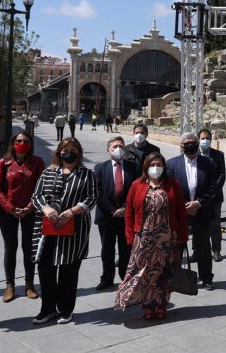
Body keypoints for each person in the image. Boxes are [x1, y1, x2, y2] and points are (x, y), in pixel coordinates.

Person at [31, 138, 99, 325]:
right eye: (65, 150)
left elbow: (92, 197)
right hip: (48, 229)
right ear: (59, 152)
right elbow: (36, 196)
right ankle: (47, 309)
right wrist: (46, 208)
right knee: (46, 270)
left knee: (69, 271)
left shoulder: (87, 174)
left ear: (79, 153)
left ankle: (65, 309)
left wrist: (72, 211)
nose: (68, 153)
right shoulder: (48, 172)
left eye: (73, 150)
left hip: (74, 230)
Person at [116, 152, 188, 320]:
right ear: (146, 167)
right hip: (144, 238)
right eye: (152, 165)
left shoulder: (173, 185)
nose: (155, 168)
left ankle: (161, 304)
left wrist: (182, 236)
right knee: (144, 272)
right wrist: (130, 236)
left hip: (166, 238)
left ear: (163, 167)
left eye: (159, 165)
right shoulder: (137, 185)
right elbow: (129, 212)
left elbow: (181, 212)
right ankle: (148, 305)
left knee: (163, 272)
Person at [0, 129, 45, 302]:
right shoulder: (3, 162)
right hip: (8, 211)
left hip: (30, 211)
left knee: (28, 248)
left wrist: (30, 207)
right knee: (10, 248)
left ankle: (29, 284)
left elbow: (42, 187)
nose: (22, 144)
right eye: (18, 141)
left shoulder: (37, 162)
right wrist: (10, 208)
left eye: (26, 141)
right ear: (13, 144)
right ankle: (10, 285)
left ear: (30, 145)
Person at [167, 132, 218, 290]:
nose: (190, 145)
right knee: (177, 246)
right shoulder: (172, 164)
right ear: (181, 146)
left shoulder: (208, 163)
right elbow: (169, 189)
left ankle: (206, 278)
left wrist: (198, 203)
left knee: (203, 246)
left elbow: (213, 187)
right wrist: (183, 206)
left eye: (193, 142)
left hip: (202, 211)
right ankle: (174, 278)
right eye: (186, 143)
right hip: (180, 212)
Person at [93, 136, 139, 291]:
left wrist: (125, 208)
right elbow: (97, 192)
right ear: (108, 150)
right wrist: (112, 210)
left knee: (126, 249)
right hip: (107, 217)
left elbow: (136, 190)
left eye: (121, 146)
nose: (118, 149)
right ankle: (107, 278)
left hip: (126, 216)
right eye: (115, 147)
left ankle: (126, 277)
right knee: (107, 250)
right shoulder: (100, 168)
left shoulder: (133, 167)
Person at [198, 128, 226, 262]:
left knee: (215, 224)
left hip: (215, 196)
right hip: (199, 197)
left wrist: (213, 192)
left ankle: (216, 250)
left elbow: (222, 174)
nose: (205, 140)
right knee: (198, 225)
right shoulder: (194, 154)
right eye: (203, 138)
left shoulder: (218, 155)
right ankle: (197, 251)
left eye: (207, 138)